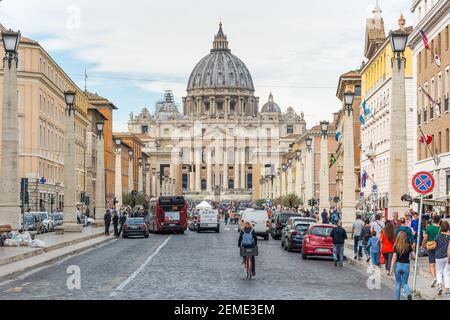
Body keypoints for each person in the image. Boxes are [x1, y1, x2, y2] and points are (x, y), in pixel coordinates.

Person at [390, 231, 413, 300]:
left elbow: (394, 258)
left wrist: (391, 269)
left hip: (398, 265)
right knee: (404, 283)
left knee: (398, 283)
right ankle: (408, 294)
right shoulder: (409, 246)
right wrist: (412, 257)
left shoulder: (396, 246)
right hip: (406, 265)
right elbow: (413, 255)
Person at [422, 215, 442, 288]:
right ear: (439, 221)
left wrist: (423, 244)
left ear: (433, 220)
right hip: (439, 247)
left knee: (432, 263)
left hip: (431, 247)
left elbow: (425, 238)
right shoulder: (441, 228)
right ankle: (439, 279)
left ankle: (434, 278)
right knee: (438, 263)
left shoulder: (429, 228)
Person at [434, 221, 450, 296]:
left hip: (439, 256)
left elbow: (434, 246)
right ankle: (447, 290)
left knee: (439, 272)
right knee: (447, 273)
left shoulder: (438, 236)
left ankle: (440, 286)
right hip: (447, 256)